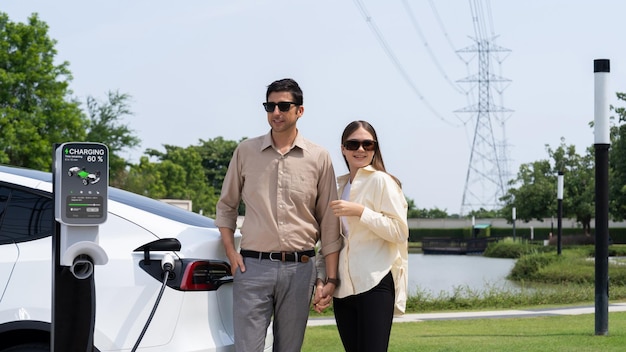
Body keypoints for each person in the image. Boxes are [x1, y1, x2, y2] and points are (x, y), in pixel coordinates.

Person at [215, 78, 342, 352]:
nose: (276, 112)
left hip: (300, 269)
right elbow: (226, 206)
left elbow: (329, 222)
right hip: (252, 268)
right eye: (270, 106)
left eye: (284, 106)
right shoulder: (245, 152)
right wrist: (230, 252)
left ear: (300, 111)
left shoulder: (319, 157)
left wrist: (330, 279)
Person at [322, 120, 409, 352]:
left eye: (367, 144)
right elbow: (332, 239)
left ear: (374, 148)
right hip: (344, 288)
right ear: (343, 148)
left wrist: (361, 212)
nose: (360, 150)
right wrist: (325, 279)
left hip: (375, 281)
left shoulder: (382, 181)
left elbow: (400, 232)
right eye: (353, 144)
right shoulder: (339, 186)